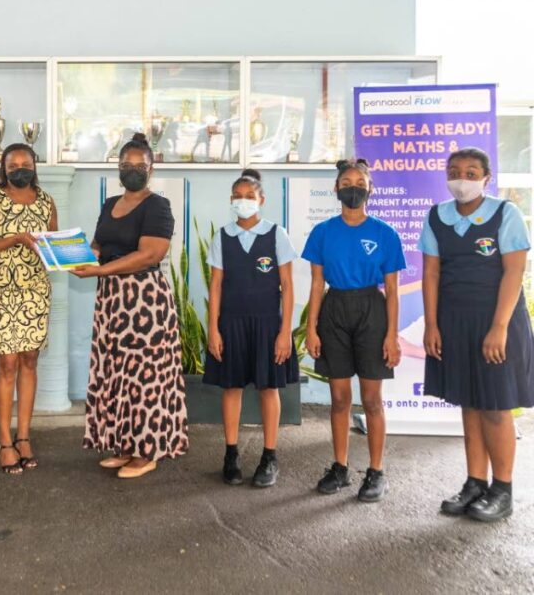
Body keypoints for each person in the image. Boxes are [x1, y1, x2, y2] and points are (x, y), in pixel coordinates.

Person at [421, 147, 533, 522]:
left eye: (471, 173)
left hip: (496, 322)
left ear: (487, 178)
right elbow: (432, 273)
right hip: (454, 322)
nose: (462, 179)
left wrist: (499, 328)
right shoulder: (437, 216)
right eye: (454, 172)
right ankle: (475, 483)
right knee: (469, 402)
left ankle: (503, 490)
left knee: (495, 406)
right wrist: (432, 324)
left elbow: (514, 273)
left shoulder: (506, 214)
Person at [73, 133, 189, 478]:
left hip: (144, 302)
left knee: (144, 376)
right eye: (126, 165)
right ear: (118, 168)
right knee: (116, 373)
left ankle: (146, 451)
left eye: (140, 165)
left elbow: (149, 254)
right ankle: (124, 445)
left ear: (151, 169)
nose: (132, 170)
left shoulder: (158, 206)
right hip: (111, 301)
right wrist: (76, 255)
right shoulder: (110, 204)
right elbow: (98, 244)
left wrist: (101, 269)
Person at [303, 158, 405, 502]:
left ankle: (376, 472)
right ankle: (341, 467)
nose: (352, 187)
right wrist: (311, 329)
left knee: (372, 400)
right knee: (339, 398)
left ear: (369, 189)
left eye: (359, 182)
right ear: (336, 189)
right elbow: (317, 285)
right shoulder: (322, 232)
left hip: (371, 312)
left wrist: (391, 335)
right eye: (346, 182)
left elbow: (392, 291)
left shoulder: (385, 233)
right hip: (334, 312)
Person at [205, 168, 298, 488]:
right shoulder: (222, 236)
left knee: (268, 389)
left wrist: (285, 332)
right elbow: (215, 286)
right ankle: (231, 455)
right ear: (231, 200)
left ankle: (269, 457)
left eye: (250, 197)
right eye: (238, 197)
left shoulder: (276, 234)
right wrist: (212, 329)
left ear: (261, 200)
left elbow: (287, 284)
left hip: (267, 326)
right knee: (231, 388)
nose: (243, 202)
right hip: (230, 324)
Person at [0, 143, 57, 474]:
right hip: (0, 290)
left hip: (35, 289)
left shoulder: (47, 201)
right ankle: (5, 441)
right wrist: (15, 239)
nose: (20, 167)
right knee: (7, 363)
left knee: (30, 359)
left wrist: (68, 253)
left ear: (35, 165)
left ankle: (24, 437)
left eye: (26, 162)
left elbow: (51, 245)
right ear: (4, 169)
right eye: (13, 164)